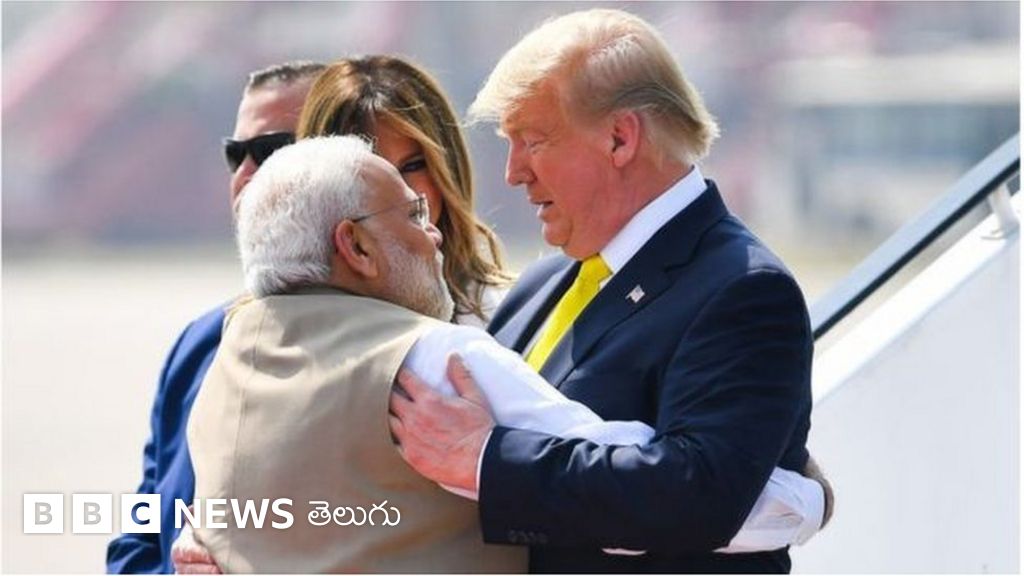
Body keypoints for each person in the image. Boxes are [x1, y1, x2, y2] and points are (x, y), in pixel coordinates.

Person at [186, 136, 825, 572]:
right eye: (413, 212)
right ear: (355, 247)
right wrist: (804, 498)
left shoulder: (228, 362)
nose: (434, 233)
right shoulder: (436, 362)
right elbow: (673, 497)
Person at [389, 8, 832, 573]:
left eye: (532, 140)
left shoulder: (744, 290)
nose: (513, 172)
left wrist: (486, 458)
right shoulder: (541, 284)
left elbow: (699, 493)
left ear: (621, 139)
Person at [106, 60, 325, 574]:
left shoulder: (399, 348)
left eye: (271, 151)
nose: (246, 174)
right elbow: (141, 535)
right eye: (235, 154)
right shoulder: (201, 342)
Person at [296, 55, 513, 327]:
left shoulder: (507, 321)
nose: (401, 193)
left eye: (413, 166)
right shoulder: (275, 330)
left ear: (448, 169)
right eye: (372, 173)